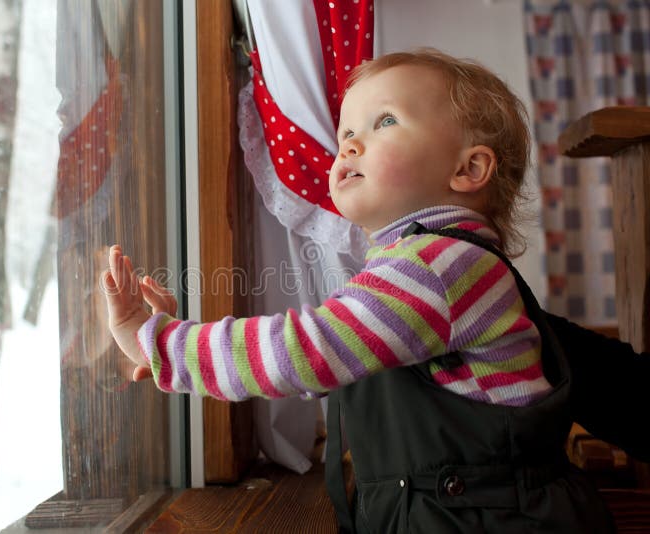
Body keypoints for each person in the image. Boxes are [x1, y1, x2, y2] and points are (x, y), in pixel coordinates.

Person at [101, 48, 620, 532]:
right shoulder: (421, 267)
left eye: (385, 122)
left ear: (468, 169)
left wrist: (162, 342)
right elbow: (340, 362)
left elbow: (303, 353)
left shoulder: (438, 266)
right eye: (346, 130)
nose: (348, 144)